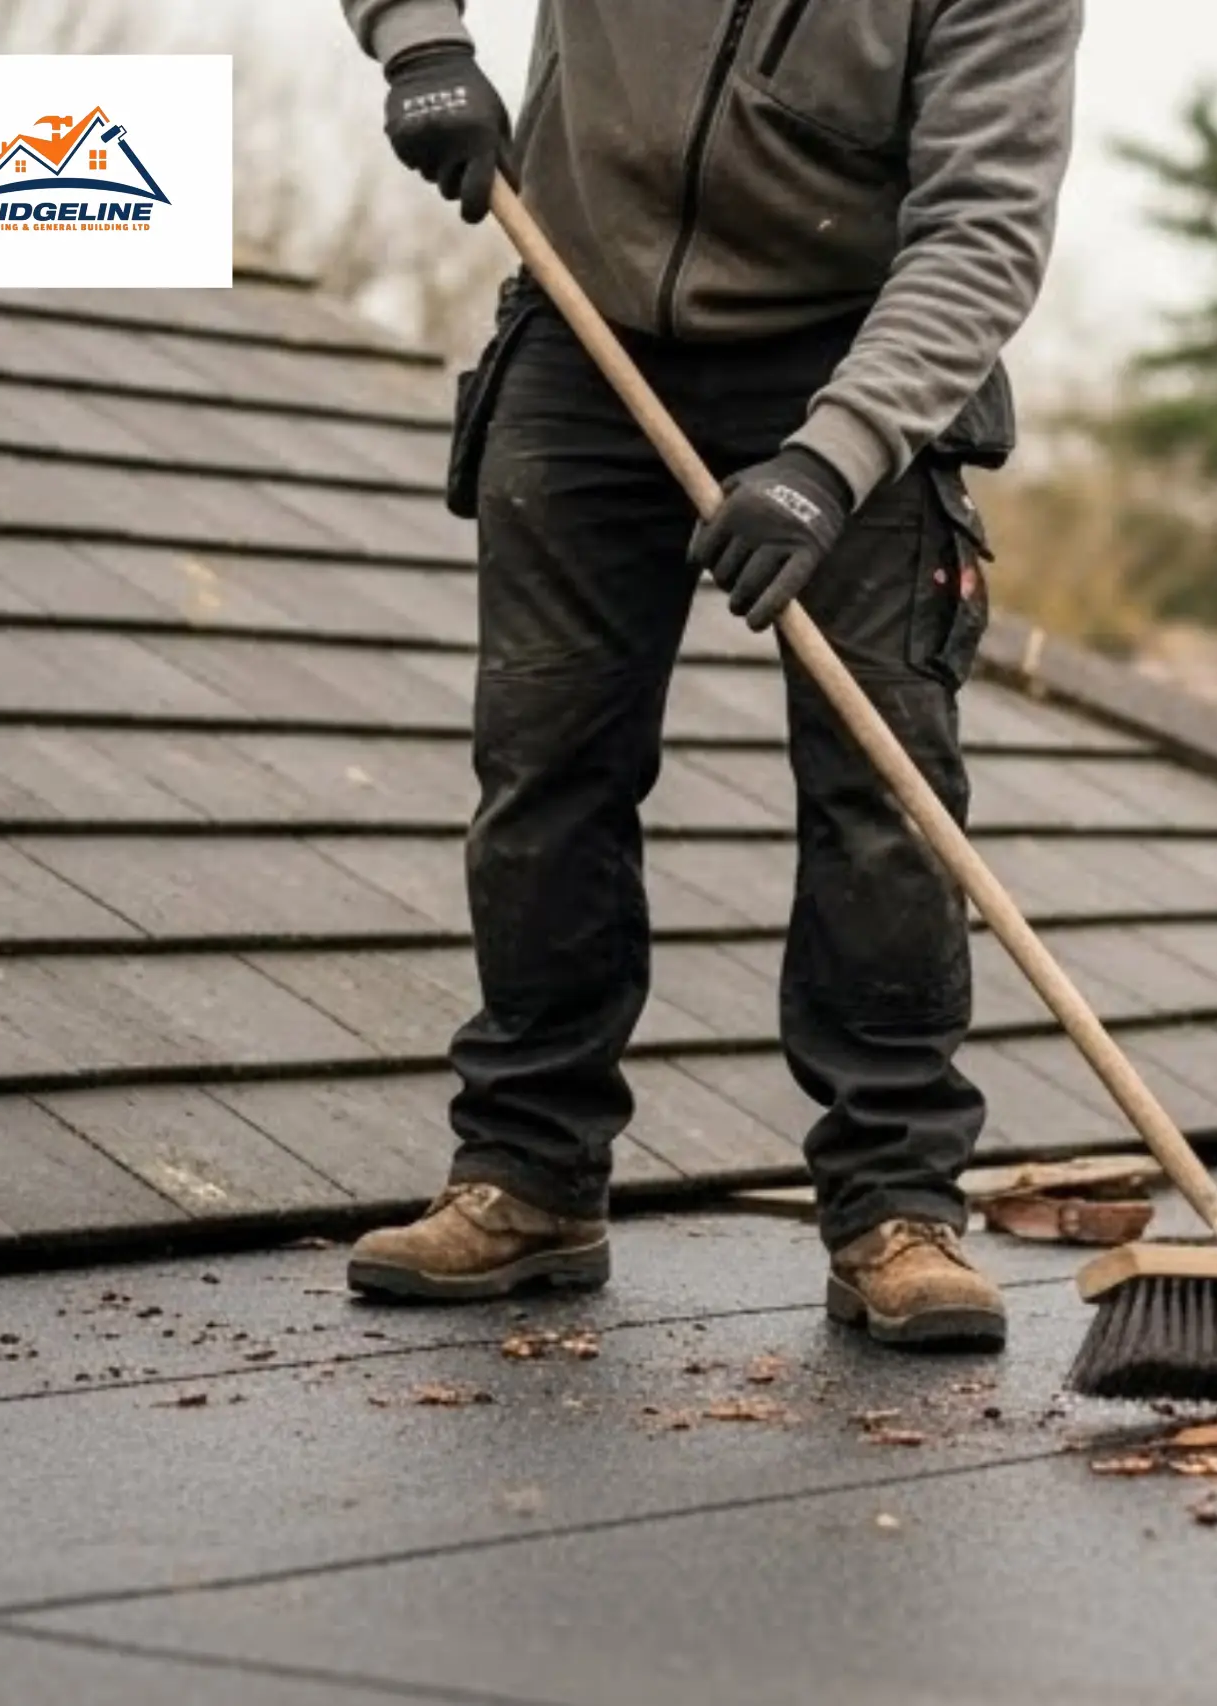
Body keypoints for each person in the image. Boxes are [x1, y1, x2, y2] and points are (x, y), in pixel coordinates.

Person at [336, 0, 1081, 1351]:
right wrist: (421, 45)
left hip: (857, 349)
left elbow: (983, 230)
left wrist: (829, 462)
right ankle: (529, 1173)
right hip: (585, 322)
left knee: (885, 795)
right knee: (546, 760)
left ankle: (895, 1206)